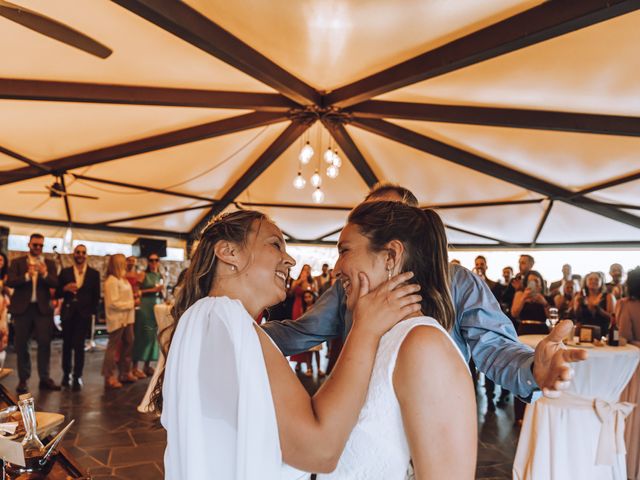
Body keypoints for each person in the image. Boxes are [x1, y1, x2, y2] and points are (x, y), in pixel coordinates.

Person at [156, 210, 422, 478]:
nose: (290, 259)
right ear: (228, 252)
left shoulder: (211, 320)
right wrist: (365, 329)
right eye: (275, 244)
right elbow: (319, 450)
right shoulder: (223, 318)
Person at [263, 183, 587, 402]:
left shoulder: (458, 282)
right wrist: (232, 326)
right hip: (361, 410)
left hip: (436, 412)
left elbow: (494, 348)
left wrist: (531, 369)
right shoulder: (345, 287)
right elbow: (300, 333)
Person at [317, 201, 476, 479]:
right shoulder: (372, 337)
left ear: (390, 256)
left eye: (345, 251)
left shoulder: (422, 344)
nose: (337, 268)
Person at [6, 233, 60, 393]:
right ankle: (23, 379)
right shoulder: (17, 262)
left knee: (45, 344)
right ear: (29, 244)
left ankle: (45, 378)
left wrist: (44, 273)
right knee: (21, 345)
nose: (37, 248)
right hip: (23, 309)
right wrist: (26, 276)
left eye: (40, 245)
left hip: (42, 309)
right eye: (35, 244)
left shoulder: (49, 264)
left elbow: (56, 283)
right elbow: (10, 282)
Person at [56, 244, 100, 390]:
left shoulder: (94, 274)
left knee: (79, 346)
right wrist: (65, 289)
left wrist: (91, 312)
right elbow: (57, 293)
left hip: (83, 315)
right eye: (78, 252)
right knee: (67, 345)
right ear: (73, 254)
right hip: (68, 314)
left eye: (83, 252)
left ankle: (77, 377)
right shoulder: (65, 272)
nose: (80, 254)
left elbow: (96, 296)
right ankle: (65, 374)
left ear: (86, 255)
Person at [618, 267, 640, 480]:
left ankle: (630, 469)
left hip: (637, 367)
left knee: (634, 420)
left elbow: (623, 337)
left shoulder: (627, 305)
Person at [102, 254, 137, 389]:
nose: (126, 264)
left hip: (127, 318)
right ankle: (109, 375)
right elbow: (113, 303)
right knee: (113, 346)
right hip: (117, 319)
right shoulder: (111, 281)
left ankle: (124, 372)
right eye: (123, 262)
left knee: (129, 342)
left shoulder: (122, 279)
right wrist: (131, 303)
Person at [132, 252, 163, 379]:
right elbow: (135, 291)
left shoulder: (159, 275)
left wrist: (161, 292)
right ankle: (134, 368)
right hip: (145, 306)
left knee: (152, 336)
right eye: (151, 260)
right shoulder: (143, 274)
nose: (153, 263)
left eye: (156, 260)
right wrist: (152, 290)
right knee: (142, 335)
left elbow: (161, 291)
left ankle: (147, 365)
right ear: (148, 262)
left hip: (155, 306)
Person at [574, 271, 615, 337]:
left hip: (602, 334)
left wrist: (598, 309)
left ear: (601, 282)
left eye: (596, 279)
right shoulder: (580, 296)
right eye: (590, 279)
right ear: (586, 282)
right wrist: (579, 304)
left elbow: (612, 318)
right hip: (583, 334)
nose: (593, 281)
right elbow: (576, 316)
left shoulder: (608, 296)